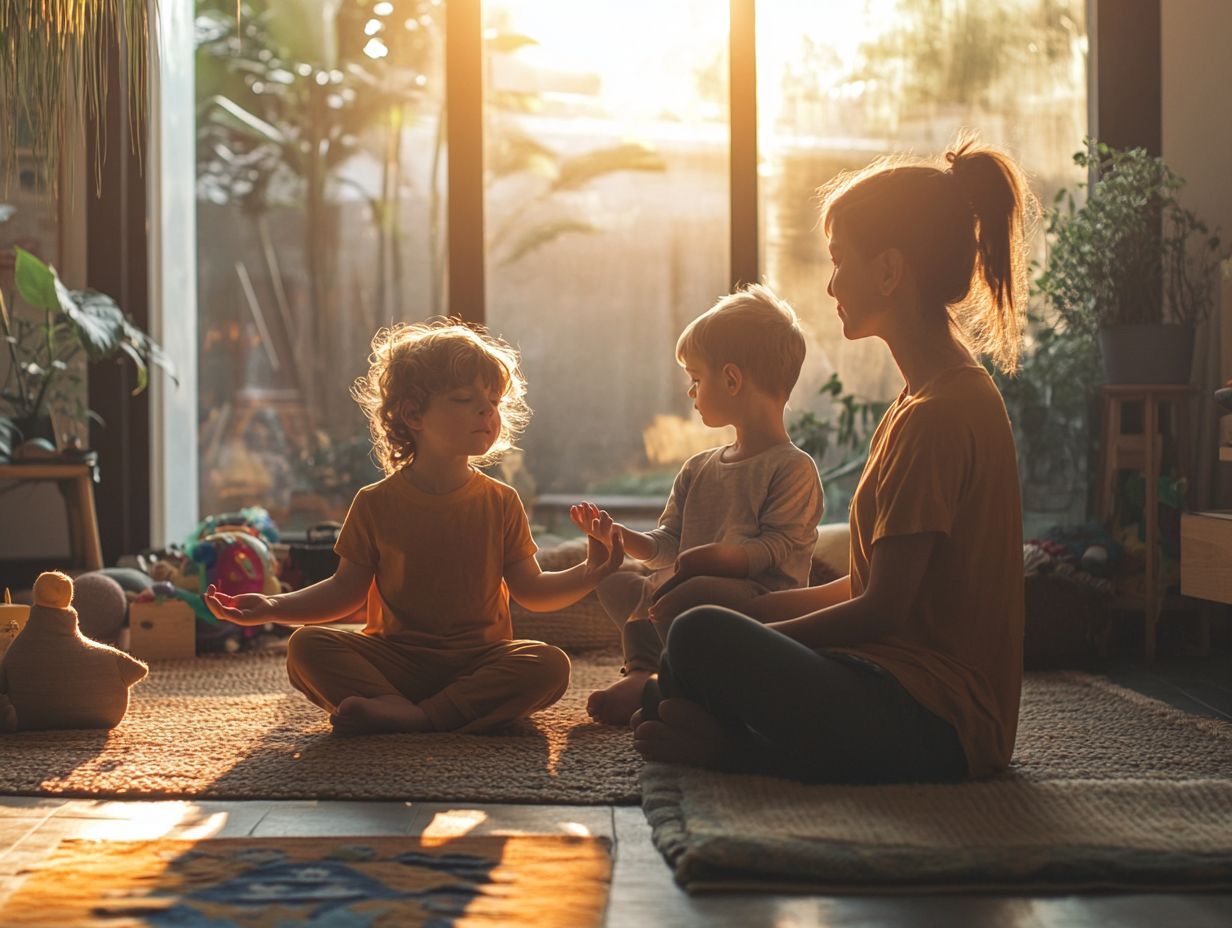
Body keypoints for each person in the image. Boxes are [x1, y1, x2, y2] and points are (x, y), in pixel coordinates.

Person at [632, 136, 1032, 783]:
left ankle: (743, 752)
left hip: (937, 722)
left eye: (840, 260)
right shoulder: (922, 396)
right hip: (892, 684)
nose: (831, 283)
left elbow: (881, 612)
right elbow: (870, 585)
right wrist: (751, 619)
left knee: (697, 641)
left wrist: (738, 639)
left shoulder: (939, 414)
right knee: (696, 643)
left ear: (890, 270)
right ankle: (724, 725)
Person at [204, 320, 625, 735]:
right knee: (305, 647)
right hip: (393, 660)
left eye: (494, 401)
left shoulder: (501, 502)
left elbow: (532, 591)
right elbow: (343, 592)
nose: (486, 411)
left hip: (479, 661)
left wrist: (590, 572)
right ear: (412, 414)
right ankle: (405, 704)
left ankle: (416, 717)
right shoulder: (375, 504)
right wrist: (274, 608)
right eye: (464, 398)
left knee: (548, 665)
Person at [577, 283, 824, 726]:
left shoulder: (793, 468)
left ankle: (668, 681)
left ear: (731, 379)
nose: (691, 392)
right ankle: (644, 670)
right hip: (685, 592)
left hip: (757, 601)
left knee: (689, 593)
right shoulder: (698, 468)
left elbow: (778, 548)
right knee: (618, 583)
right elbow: (669, 545)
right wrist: (622, 539)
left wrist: (715, 560)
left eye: (696, 379)